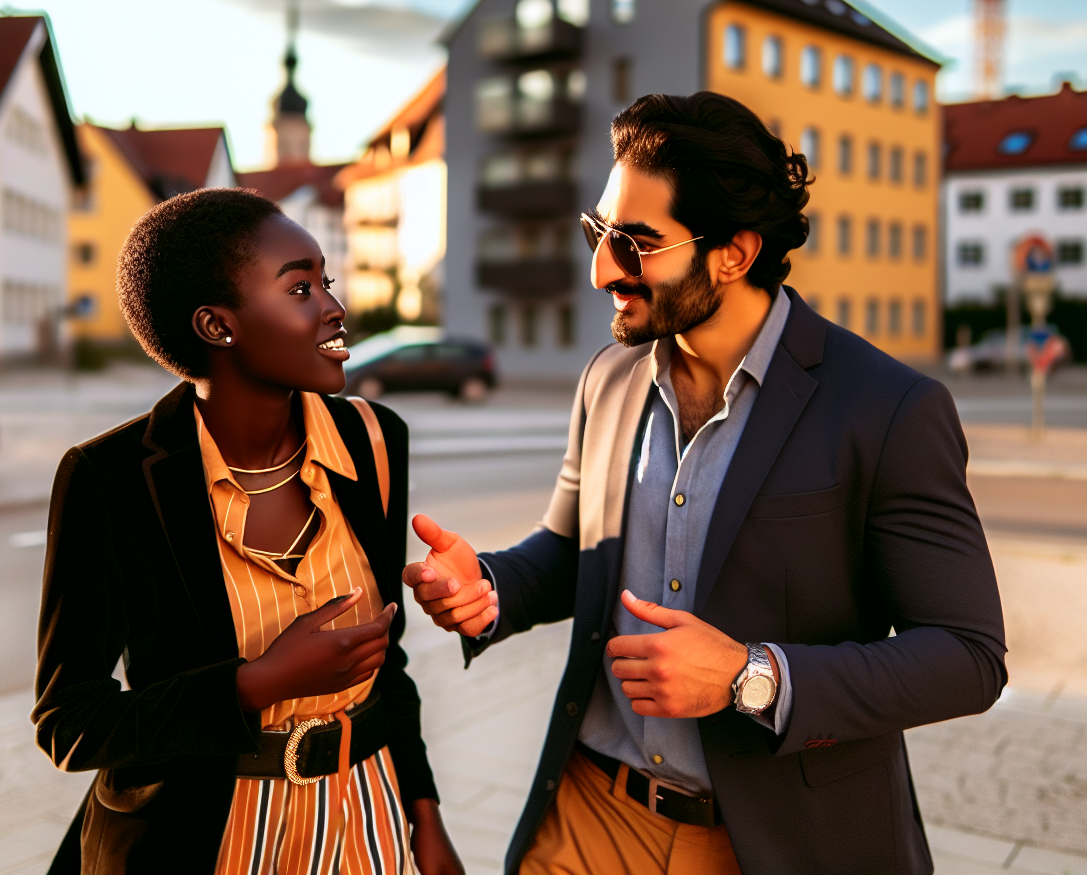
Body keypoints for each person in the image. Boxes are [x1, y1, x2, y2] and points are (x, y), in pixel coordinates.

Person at [403, 92, 1007, 875]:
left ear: (733, 253)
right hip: (588, 819)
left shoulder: (888, 408)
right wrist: (488, 587)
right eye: (598, 233)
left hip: (776, 842)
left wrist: (751, 677)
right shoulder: (609, 378)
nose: (602, 269)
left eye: (635, 243)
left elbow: (967, 656)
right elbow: (574, 553)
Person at [35, 188, 464, 874]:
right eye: (300, 288)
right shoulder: (109, 479)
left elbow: (389, 662)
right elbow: (70, 722)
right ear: (217, 325)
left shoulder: (374, 440)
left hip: (366, 817)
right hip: (199, 837)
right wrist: (253, 684)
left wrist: (425, 814)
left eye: (325, 281)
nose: (334, 306)